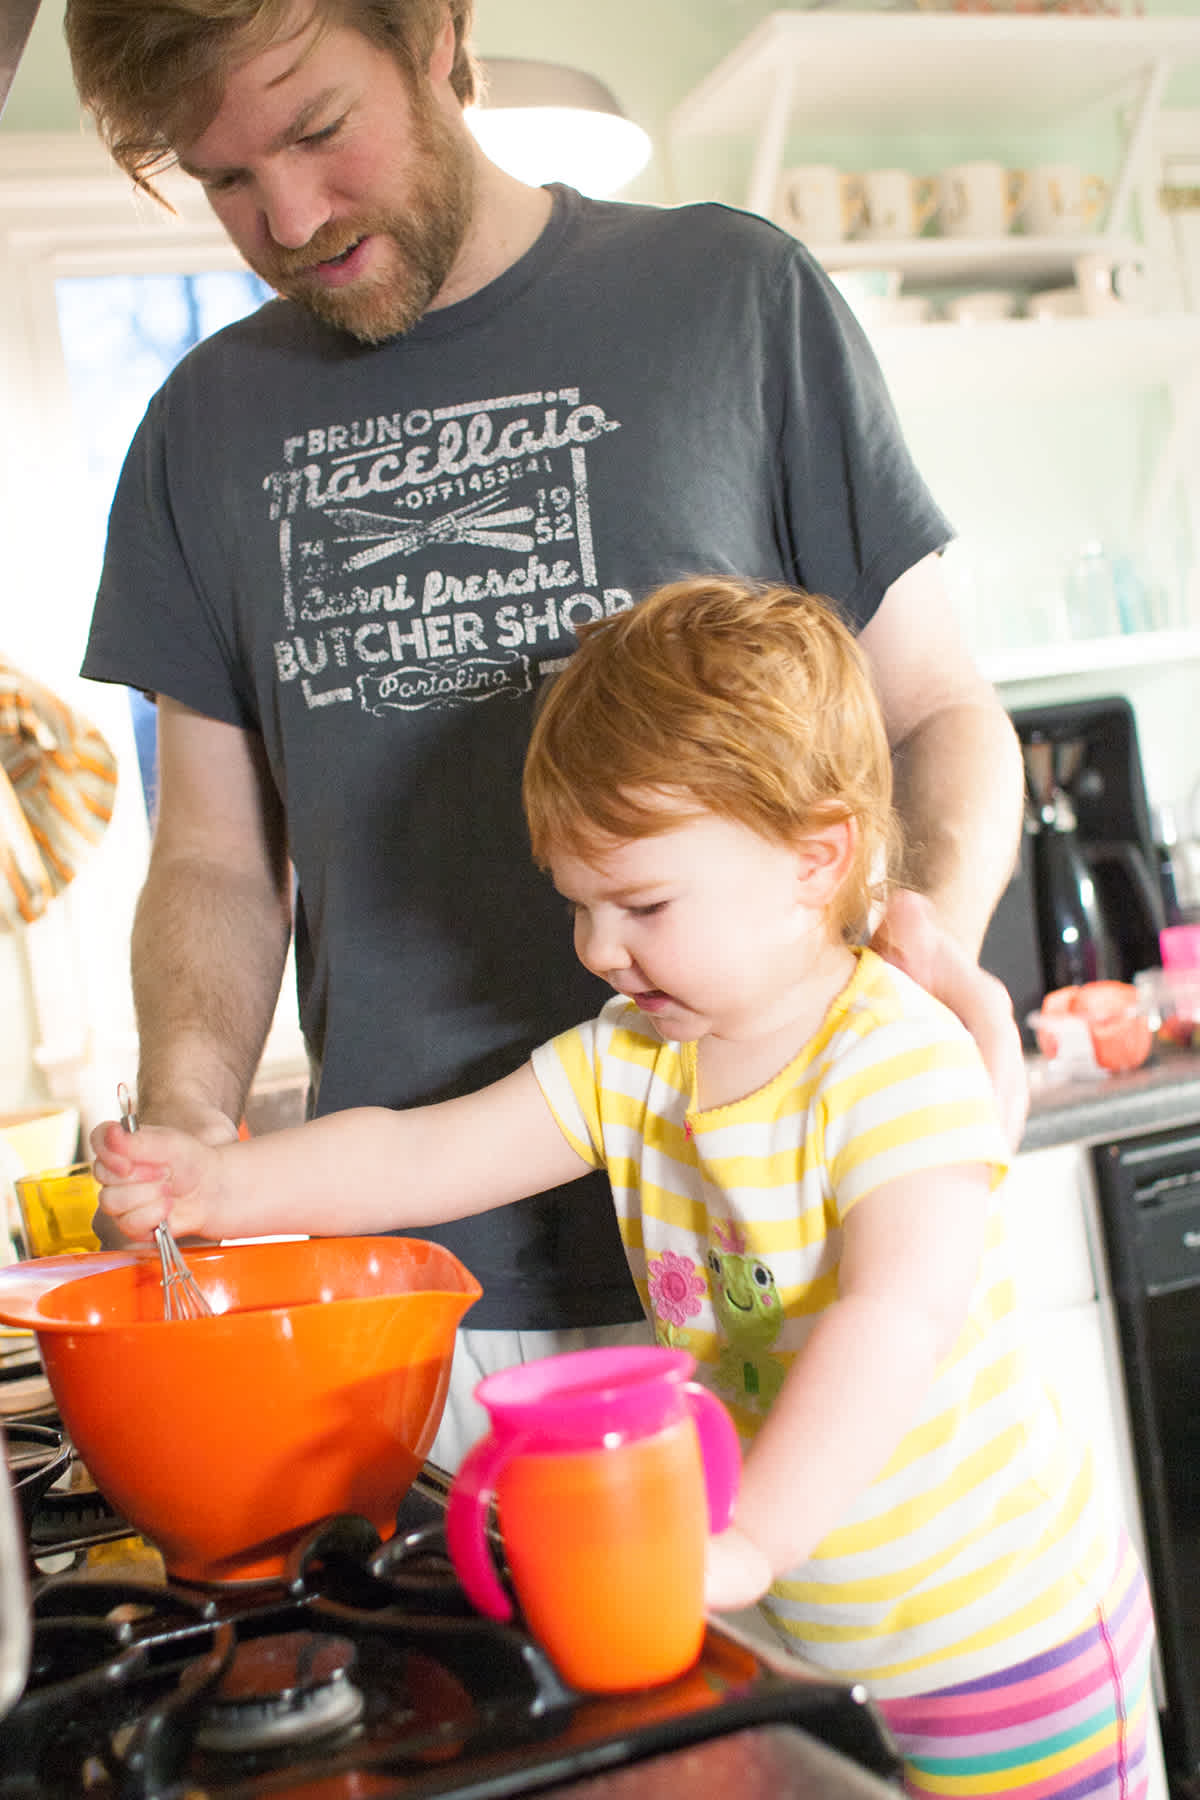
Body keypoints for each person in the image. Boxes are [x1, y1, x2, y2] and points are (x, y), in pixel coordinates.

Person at [68, 0, 1027, 1468]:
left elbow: (939, 709)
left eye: (321, 131)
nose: (293, 215)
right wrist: (193, 1125)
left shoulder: (731, 295)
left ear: (439, 37)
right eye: (226, 180)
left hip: (795, 1233)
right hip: (428, 1293)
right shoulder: (202, 426)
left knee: (887, 1656)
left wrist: (923, 941)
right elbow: (210, 852)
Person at [93, 578, 1153, 1800]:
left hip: (1000, 1644)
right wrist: (223, 1186)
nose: (599, 948)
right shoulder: (634, 1060)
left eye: (642, 904)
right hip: (812, 1640)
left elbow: (893, 1321)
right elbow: (419, 1154)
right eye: (578, 905)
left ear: (818, 859)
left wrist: (748, 1537)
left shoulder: (894, 1061)